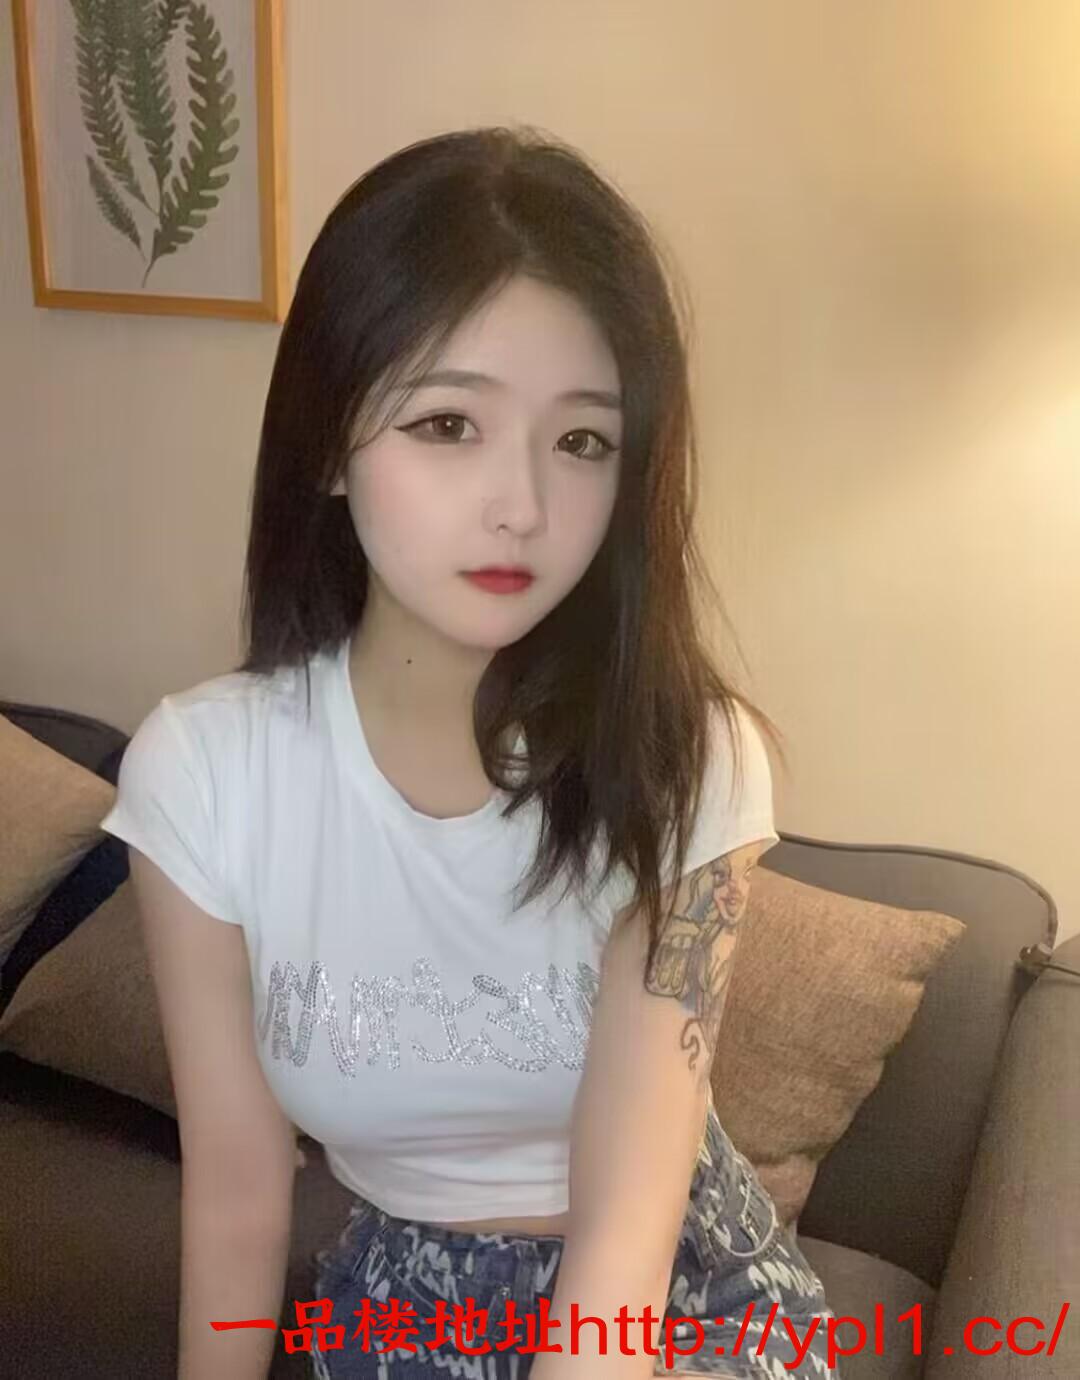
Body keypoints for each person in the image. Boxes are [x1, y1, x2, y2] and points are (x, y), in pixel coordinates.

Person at [100, 125, 839, 1379]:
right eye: (448, 424)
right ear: (328, 444)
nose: (523, 508)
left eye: (582, 441)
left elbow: (626, 1233)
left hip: (683, 1293)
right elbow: (235, 1195)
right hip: (405, 1288)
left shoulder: (687, 757)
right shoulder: (205, 776)